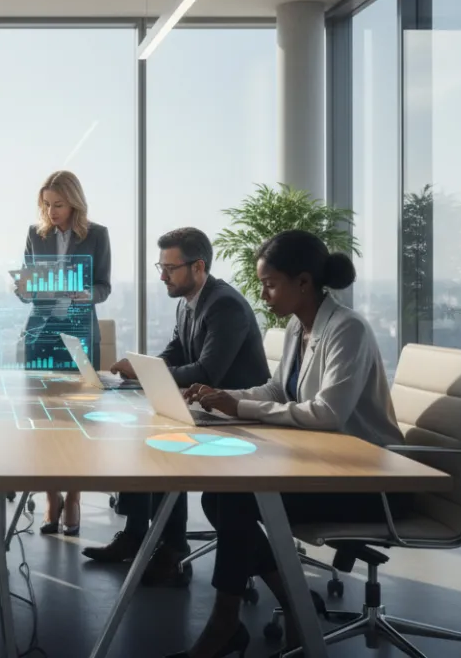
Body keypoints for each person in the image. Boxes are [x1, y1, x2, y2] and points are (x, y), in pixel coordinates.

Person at [168, 230, 404, 658]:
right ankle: (297, 603)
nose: (262, 294)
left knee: (235, 500)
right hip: (322, 463)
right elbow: (278, 390)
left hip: (368, 481)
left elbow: (328, 413)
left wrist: (241, 408)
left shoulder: (347, 329)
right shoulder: (299, 326)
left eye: (270, 284)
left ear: (304, 282)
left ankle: (226, 624)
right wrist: (223, 398)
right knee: (217, 499)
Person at [83, 227, 270, 586]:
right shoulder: (189, 303)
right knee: (143, 433)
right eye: (161, 267)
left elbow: (208, 371)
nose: (162, 276)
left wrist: (146, 372)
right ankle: (137, 534)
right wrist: (143, 365)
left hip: (237, 415)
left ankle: (172, 549)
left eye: (170, 268)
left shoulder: (224, 305)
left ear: (198, 267)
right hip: (205, 408)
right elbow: (176, 351)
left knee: (162, 445)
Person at [17, 170, 111, 537]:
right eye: (47, 204)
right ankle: (51, 497)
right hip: (40, 332)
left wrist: (85, 294)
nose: (52, 211)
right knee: (44, 419)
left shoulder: (97, 234)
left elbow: (103, 286)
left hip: (79, 331)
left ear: (74, 202)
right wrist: (23, 288)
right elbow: (26, 288)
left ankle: (73, 496)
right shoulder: (35, 234)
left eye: (58, 204)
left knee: (79, 419)